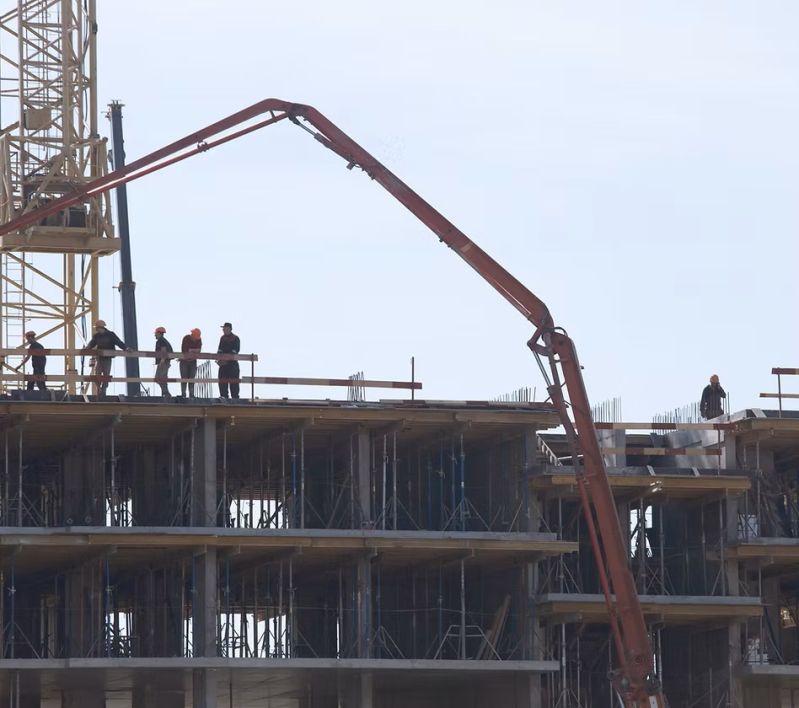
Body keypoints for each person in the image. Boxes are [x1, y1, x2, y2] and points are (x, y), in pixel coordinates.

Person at [87, 319, 132, 397]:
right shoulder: (97, 336)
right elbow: (92, 343)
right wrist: (87, 347)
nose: (96, 329)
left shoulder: (111, 335)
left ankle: (104, 390)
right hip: (100, 357)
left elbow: (118, 342)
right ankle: (99, 390)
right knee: (97, 374)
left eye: (97, 328)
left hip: (107, 358)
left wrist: (125, 348)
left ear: (101, 327)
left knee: (106, 375)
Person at [217, 322, 241, 399]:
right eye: (223, 329)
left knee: (234, 382)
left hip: (232, 364)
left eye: (226, 329)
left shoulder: (235, 338)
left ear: (230, 329)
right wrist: (219, 359)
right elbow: (219, 350)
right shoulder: (222, 338)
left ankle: (235, 398)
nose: (224, 330)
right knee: (222, 381)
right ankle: (224, 397)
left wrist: (226, 360)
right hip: (223, 364)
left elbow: (235, 351)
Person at [180, 328, 202, 397]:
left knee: (191, 379)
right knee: (184, 378)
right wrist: (193, 350)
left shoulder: (199, 340)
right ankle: (183, 394)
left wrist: (191, 350)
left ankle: (191, 394)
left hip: (193, 361)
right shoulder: (186, 338)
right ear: (192, 335)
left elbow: (199, 350)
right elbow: (185, 350)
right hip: (184, 361)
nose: (196, 339)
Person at [153, 326, 173, 398]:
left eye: (156, 333)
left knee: (158, 378)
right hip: (165, 362)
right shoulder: (164, 340)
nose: (155, 335)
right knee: (163, 378)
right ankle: (165, 393)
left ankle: (166, 393)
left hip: (163, 362)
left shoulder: (161, 341)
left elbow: (163, 351)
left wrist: (162, 361)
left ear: (159, 333)